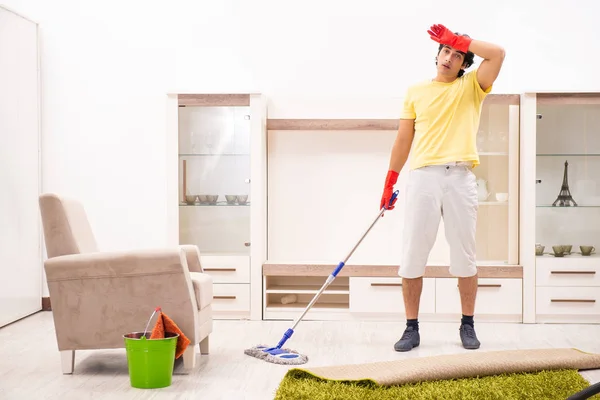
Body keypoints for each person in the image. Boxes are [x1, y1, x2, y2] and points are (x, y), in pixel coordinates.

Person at [380, 24, 505, 352]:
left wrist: (459, 39)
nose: (449, 57)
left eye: (457, 54)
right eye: (445, 50)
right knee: (412, 255)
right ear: (437, 56)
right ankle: (411, 328)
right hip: (423, 178)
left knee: (464, 255)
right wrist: (390, 180)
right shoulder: (415, 91)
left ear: (465, 63)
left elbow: (498, 54)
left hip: (460, 178)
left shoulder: (472, 86)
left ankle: (468, 323)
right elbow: (403, 138)